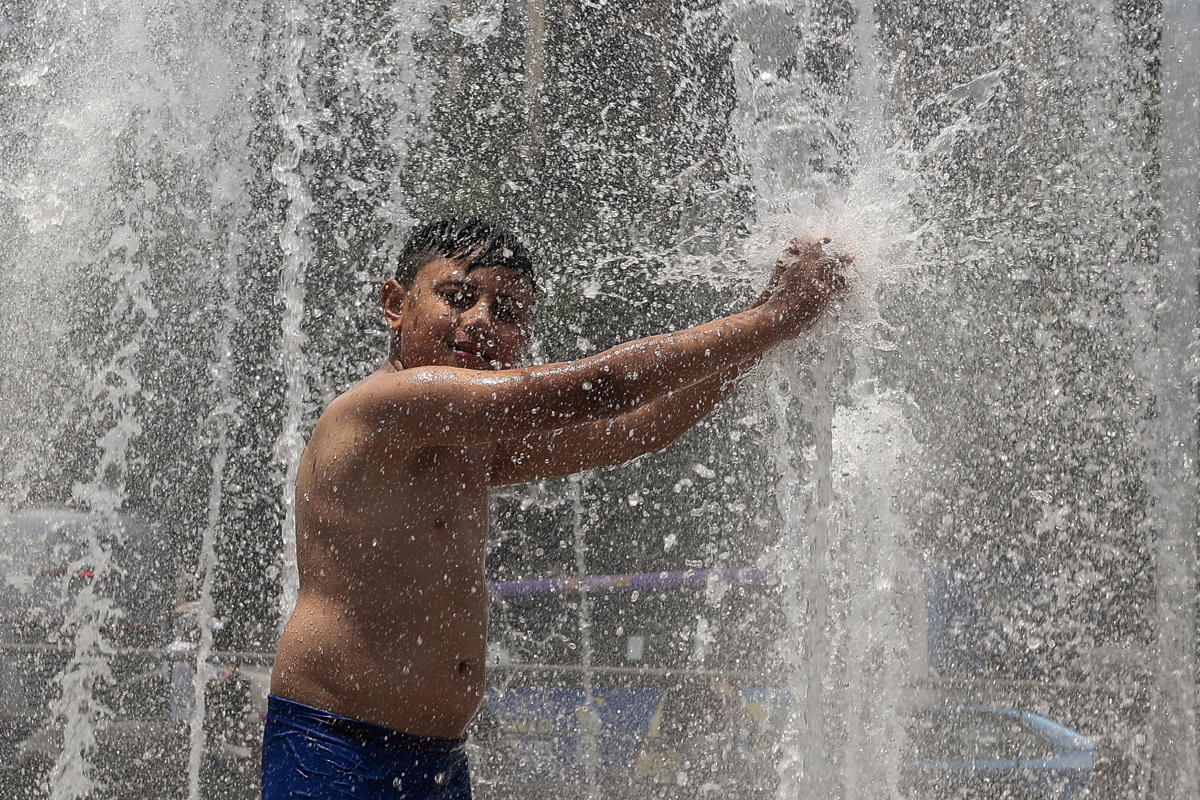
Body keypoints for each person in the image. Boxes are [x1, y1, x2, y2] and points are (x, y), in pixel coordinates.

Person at [263, 218, 849, 799]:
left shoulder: (464, 442)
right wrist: (769, 320)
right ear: (395, 303)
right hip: (334, 745)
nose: (481, 322)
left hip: (436, 758)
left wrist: (767, 330)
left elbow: (636, 428)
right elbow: (607, 385)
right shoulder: (389, 405)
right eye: (457, 296)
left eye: (508, 311)